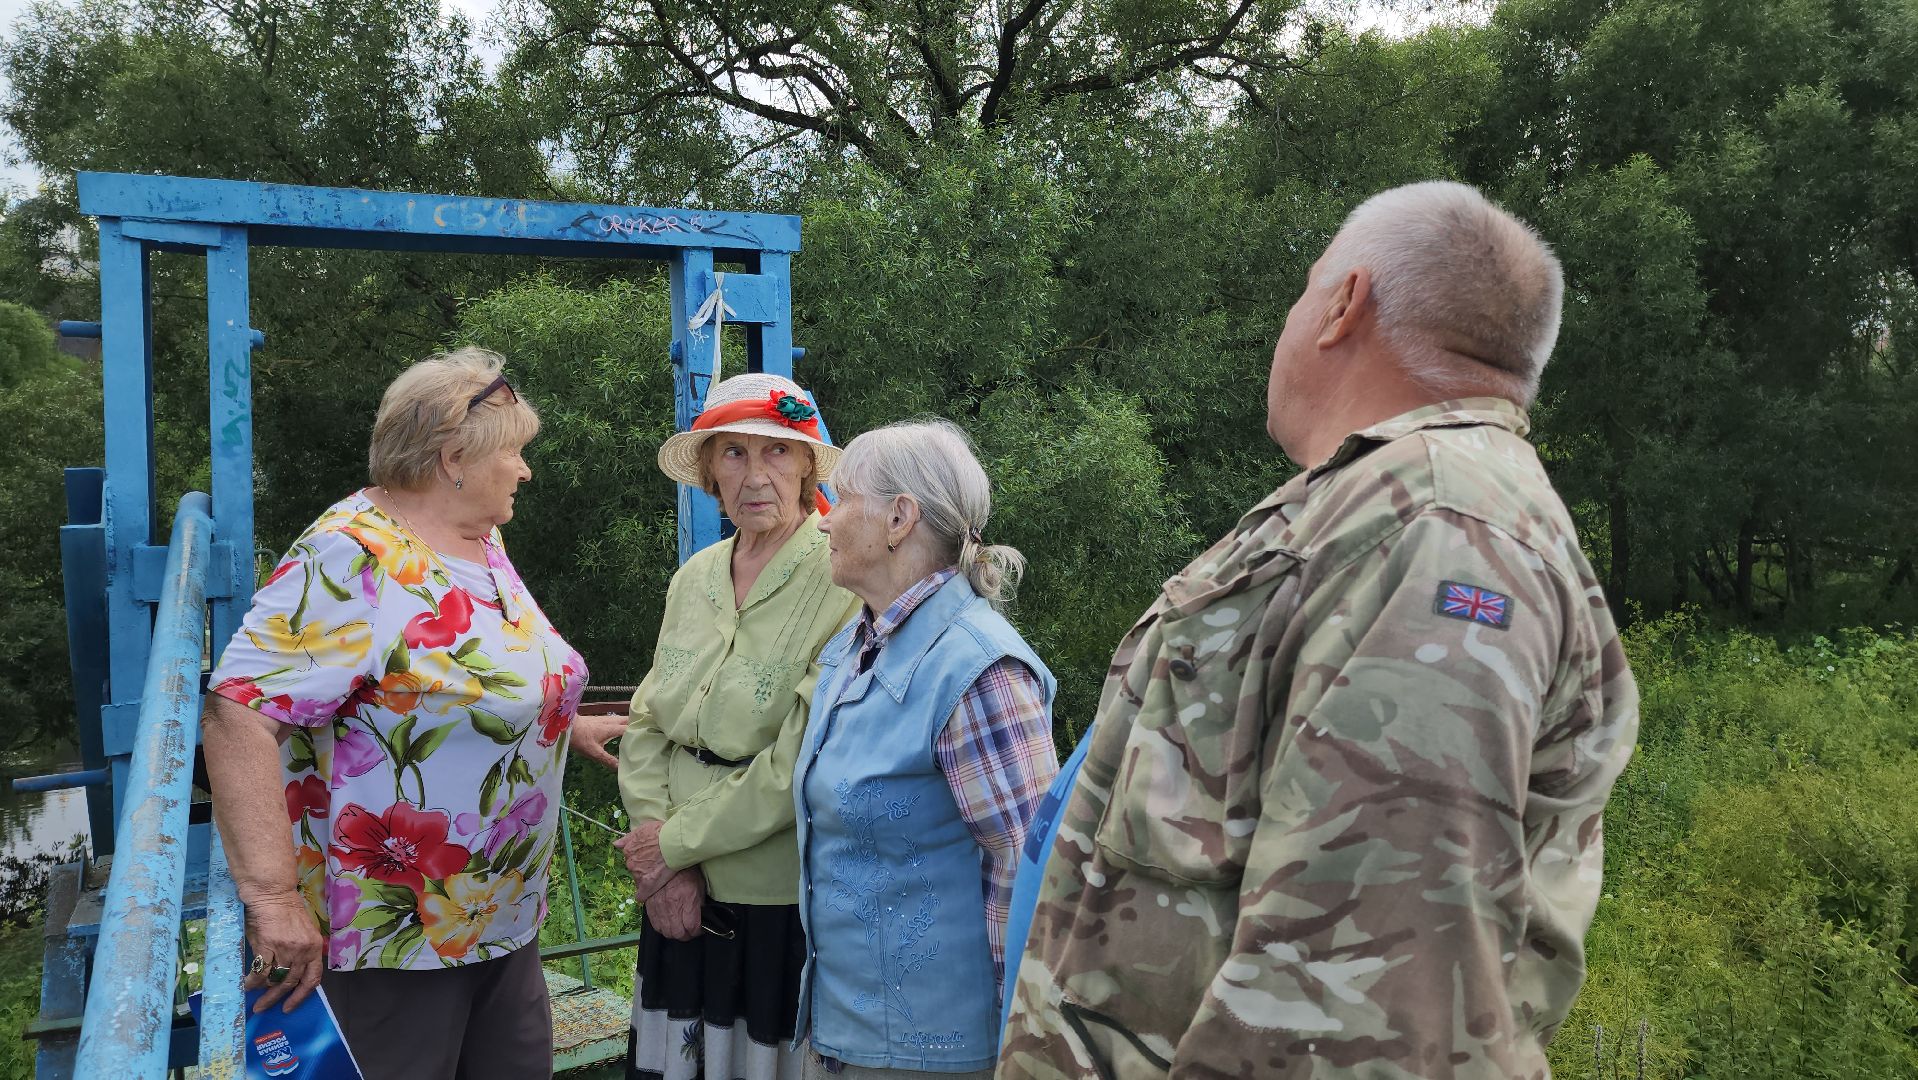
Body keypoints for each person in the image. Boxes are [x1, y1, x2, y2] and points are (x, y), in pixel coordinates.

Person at [999, 181, 1641, 1078]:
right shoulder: (1376, 508)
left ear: (1343, 304)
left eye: (1304, 289)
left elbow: (1366, 1004)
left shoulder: (1439, 532)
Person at [202, 347, 589, 1077]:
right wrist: (273, 899)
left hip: (503, 919)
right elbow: (238, 715)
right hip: (393, 940)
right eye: (514, 452)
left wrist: (561, 721)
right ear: (453, 459)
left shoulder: (481, 540)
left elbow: (469, 683)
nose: (525, 470)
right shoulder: (352, 559)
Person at [795, 419, 1059, 1079]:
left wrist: (1024, 1053)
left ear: (899, 518)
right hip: (852, 1038)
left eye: (843, 498)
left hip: (938, 1056)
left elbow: (1029, 876)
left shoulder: (977, 670)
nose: (824, 521)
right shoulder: (857, 646)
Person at [617, 372, 863, 1080]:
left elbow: (798, 758)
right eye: (732, 454)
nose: (755, 476)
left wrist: (672, 844)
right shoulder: (694, 576)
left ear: (810, 466)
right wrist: (660, 859)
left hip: (771, 895)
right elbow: (647, 719)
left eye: (777, 453)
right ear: (708, 474)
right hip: (670, 882)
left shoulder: (842, 576)